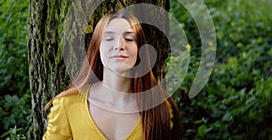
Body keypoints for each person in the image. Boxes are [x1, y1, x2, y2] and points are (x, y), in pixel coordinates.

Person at [43, 9, 182, 140]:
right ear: (97, 47)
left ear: (139, 49)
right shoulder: (67, 105)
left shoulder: (159, 107)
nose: (119, 45)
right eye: (109, 38)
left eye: (129, 39)